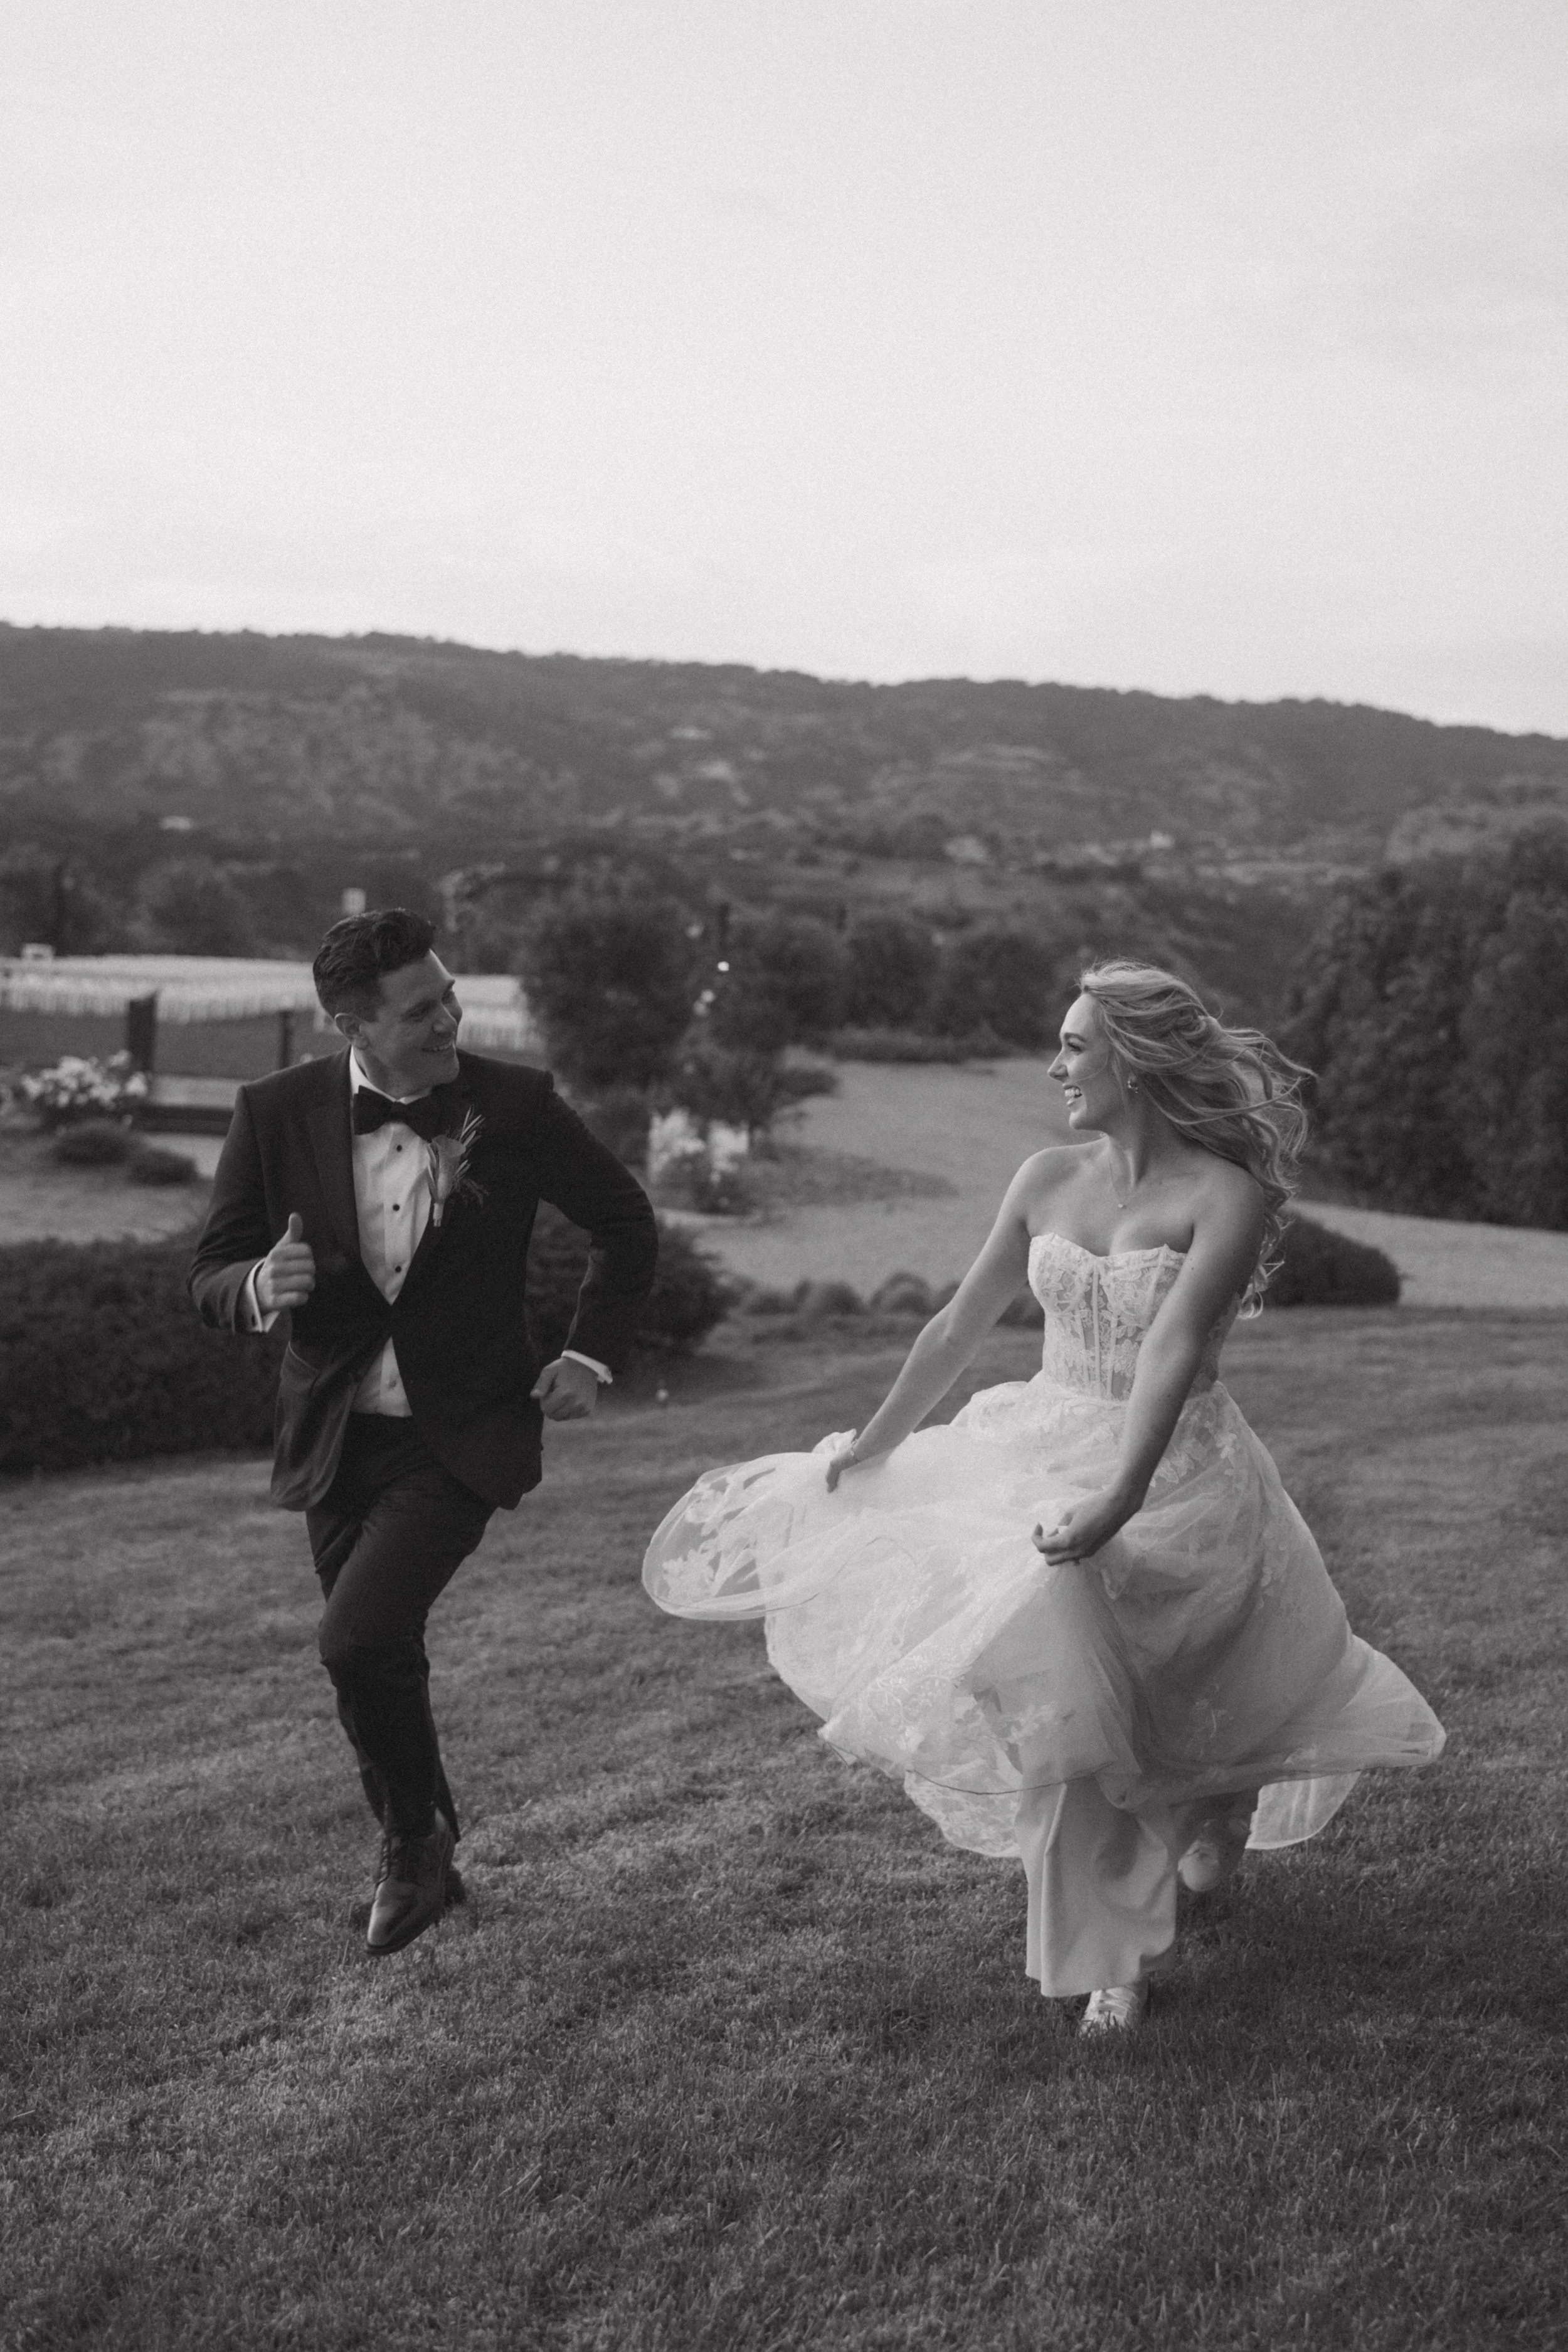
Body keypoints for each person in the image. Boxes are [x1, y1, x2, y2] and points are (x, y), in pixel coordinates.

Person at [644, 959, 1444, 2033]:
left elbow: (1168, 1352)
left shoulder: (1225, 1195)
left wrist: (1118, 1498)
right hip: (1035, 1440)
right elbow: (955, 1327)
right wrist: (871, 1444)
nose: (1053, 1064)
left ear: (1137, 1058)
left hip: (1177, 1467)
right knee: (1060, 1682)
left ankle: (1215, 1802)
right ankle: (1108, 1947)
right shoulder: (1041, 1179)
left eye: (1074, 1045)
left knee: (1180, 1697)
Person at [190, 908, 657, 1956]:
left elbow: (625, 1220)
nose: (450, 1017)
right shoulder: (273, 1112)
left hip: (461, 1433)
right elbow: (210, 1271)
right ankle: (433, 1830)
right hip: (332, 1436)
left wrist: (588, 1355)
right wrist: (261, 1281)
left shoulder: (515, 1104)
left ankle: (409, 1850)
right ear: (352, 1023)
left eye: (450, 996)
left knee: (355, 1637)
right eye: (421, 1009)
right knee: (377, 1655)